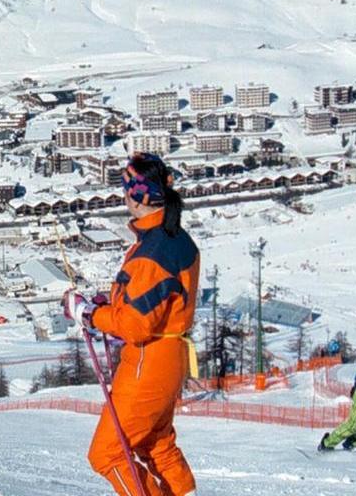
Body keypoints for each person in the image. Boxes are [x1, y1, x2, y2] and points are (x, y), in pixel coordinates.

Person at [64, 152, 200, 496]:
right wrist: (108, 305)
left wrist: (89, 315)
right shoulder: (174, 238)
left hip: (148, 361)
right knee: (156, 444)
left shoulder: (151, 253)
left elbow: (137, 324)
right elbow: (150, 304)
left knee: (108, 453)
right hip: (169, 355)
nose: (123, 196)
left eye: (126, 189)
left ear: (139, 196)